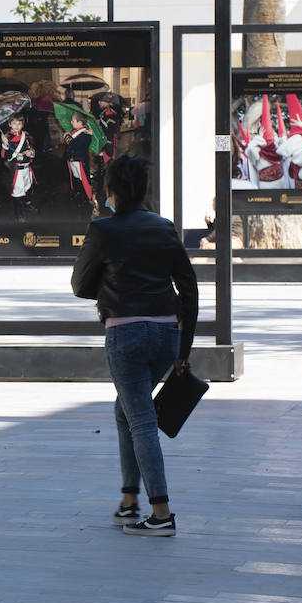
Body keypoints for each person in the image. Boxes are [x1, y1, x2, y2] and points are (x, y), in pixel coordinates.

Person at [71, 154, 199, 538]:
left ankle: (161, 513)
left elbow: (80, 285)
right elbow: (188, 287)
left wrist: (111, 286)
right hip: (165, 334)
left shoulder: (102, 229)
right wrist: (184, 350)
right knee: (126, 408)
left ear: (109, 192)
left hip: (125, 333)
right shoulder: (164, 228)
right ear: (143, 190)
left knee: (141, 418)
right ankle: (129, 500)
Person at [0, 115, 36, 221]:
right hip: (16, 170)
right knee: (17, 191)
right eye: (14, 123)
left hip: (26, 168)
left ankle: (27, 204)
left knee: (28, 187)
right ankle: (18, 212)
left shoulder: (26, 136)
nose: (17, 126)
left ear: (22, 125)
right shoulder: (7, 137)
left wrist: (31, 153)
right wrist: (5, 145)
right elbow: (4, 156)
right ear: (10, 124)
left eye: (19, 123)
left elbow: (32, 148)